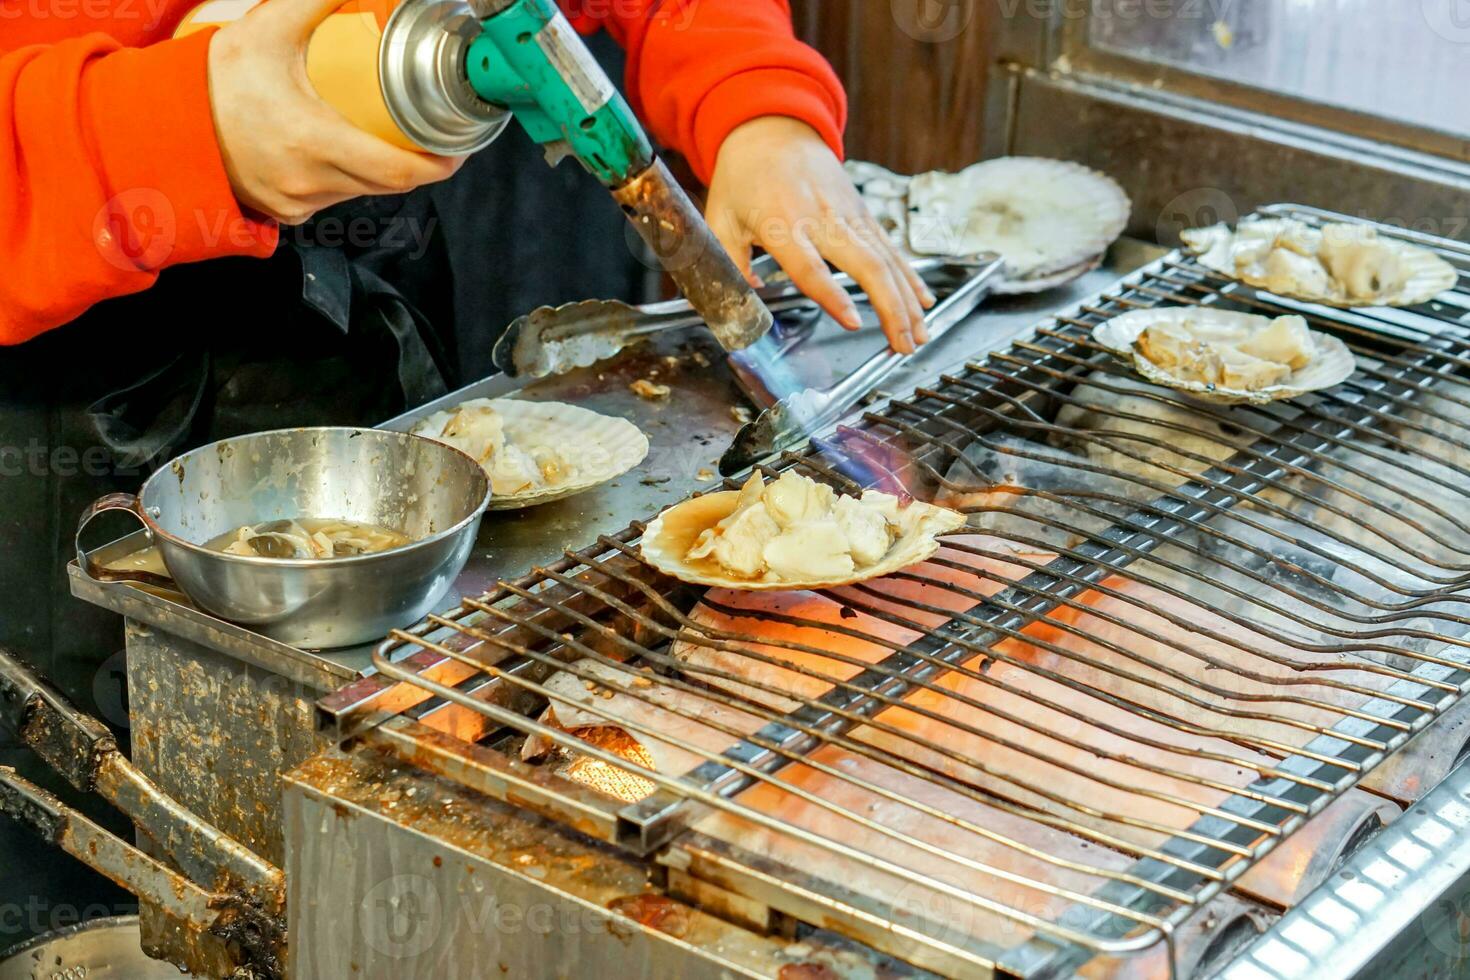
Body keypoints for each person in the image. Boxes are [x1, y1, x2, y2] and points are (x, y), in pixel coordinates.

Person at [0, 0, 932, 948]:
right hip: (61, 344)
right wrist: (163, 135)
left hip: (356, 269)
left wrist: (755, 105)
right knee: (116, 890)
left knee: (386, 847)